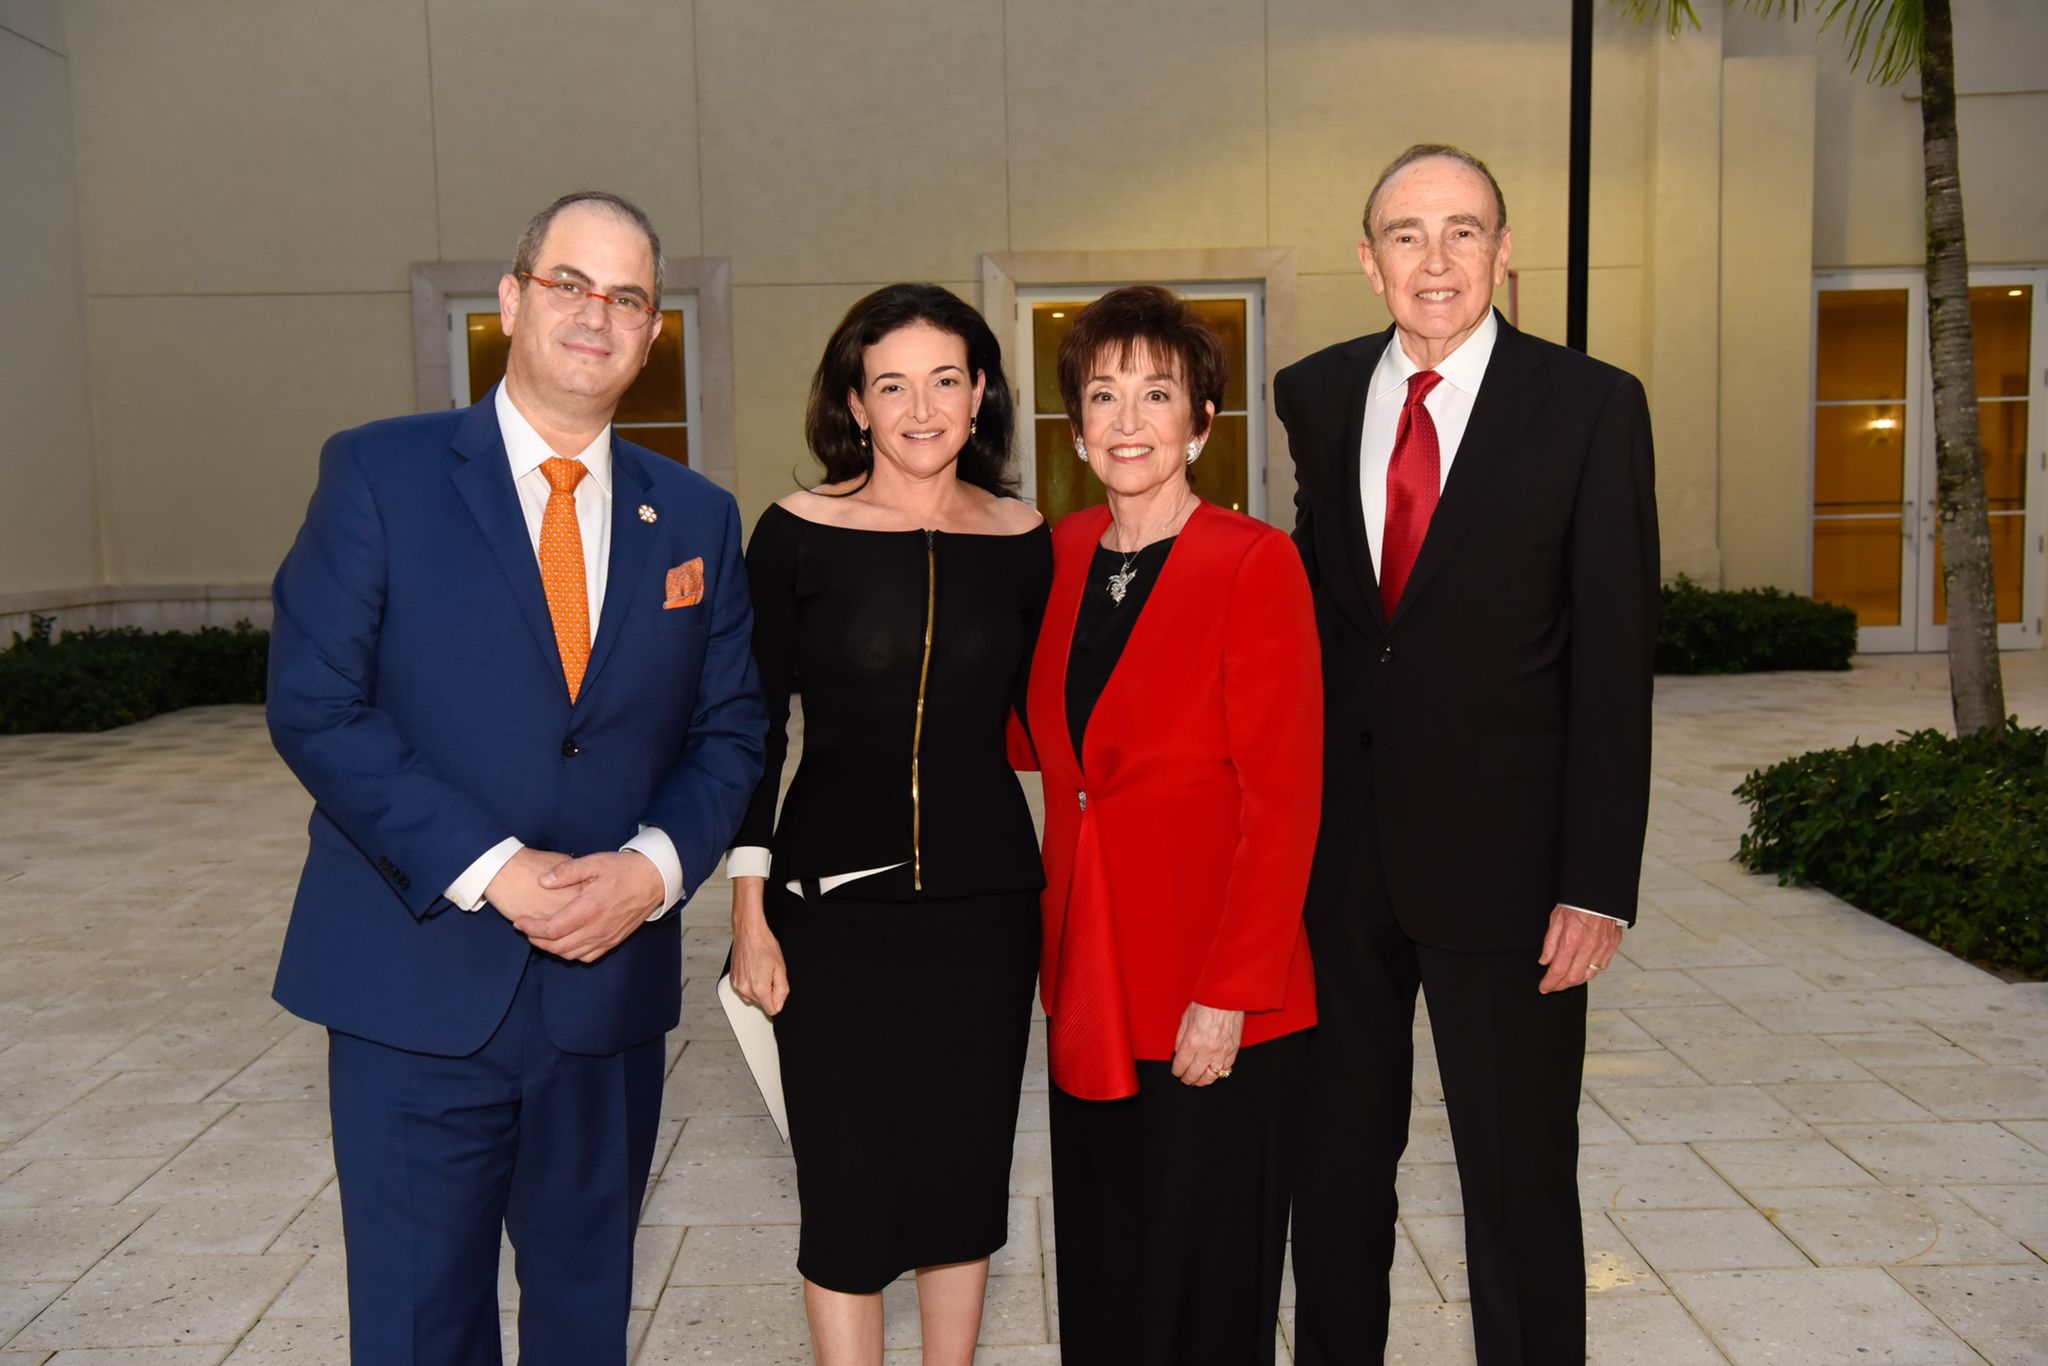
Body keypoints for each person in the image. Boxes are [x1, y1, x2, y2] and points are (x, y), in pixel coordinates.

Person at [266, 190, 766, 1365]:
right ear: (511, 301)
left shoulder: (695, 515)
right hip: (415, 981)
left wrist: (649, 874)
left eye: (627, 297)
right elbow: (315, 705)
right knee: (417, 1322)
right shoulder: (378, 474)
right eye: (570, 284)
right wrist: (494, 870)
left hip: (607, 995)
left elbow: (732, 729)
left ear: (651, 335)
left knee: (584, 1316)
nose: (597, 314)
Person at [1279, 144, 1660, 1365]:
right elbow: (1317, 620)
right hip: (1337, 870)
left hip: (1510, 876)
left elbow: (1612, 655)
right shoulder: (1316, 390)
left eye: (1460, 232)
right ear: (1366, 258)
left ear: (1504, 253)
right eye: (1404, 234)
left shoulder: (1591, 405)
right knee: (1334, 1173)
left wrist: (1594, 878)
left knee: (1515, 1181)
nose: (1432, 259)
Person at [725, 283, 1050, 1366]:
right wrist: (748, 911)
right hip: (829, 914)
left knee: (964, 1181)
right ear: (855, 404)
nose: (921, 407)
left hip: (987, 911)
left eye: (945, 380)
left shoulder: (1024, 540)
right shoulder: (796, 534)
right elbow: (751, 726)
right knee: (848, 1194)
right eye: (892, 384)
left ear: (981, 394)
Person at [1025, 285, 1322, 1366]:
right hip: (1090, 981)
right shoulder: (1053, 560)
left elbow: (1285, 797)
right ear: (1076, 427)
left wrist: (1228, 992)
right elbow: (1029, 739)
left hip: (1212, 988)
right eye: (1102, 395)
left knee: (1203, 1283)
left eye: (1157, 393)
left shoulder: (1253, 562)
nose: (1128, 419)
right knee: (1105, 1266)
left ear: (1201, 419)